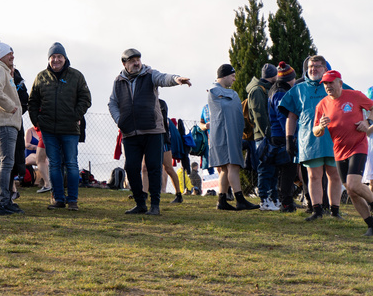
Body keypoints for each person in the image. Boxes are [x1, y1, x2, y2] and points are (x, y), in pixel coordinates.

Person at [107, 48, 190, 215]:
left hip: (153, 131)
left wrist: (176, 79)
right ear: (124, 64)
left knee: (154, 167)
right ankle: (140, 204)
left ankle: (155, 206)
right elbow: (112, 103)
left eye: (138, 59)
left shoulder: (150, 74)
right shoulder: (118, 81)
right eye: (132, 61)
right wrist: (120, 121)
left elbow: (164, 78)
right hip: (130, 133)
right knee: (131, 168)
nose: (136, 63)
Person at [279, 55, 344, 221]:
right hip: (309, 141)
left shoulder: (334, 84)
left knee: (334, 175)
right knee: (313, 176)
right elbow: (291, 116)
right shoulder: (298, 89)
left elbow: (354, 101)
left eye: (317, 66)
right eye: (310, 67)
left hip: (333, 140)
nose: (313, 69)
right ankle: (317, 210)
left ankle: (335, 211)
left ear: (325, 69)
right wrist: (288, 138)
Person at [28, 42, 92, 210]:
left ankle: (72, 201)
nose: (56, 60)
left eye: (59, 57)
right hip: (48, 130)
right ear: (49, 59)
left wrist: (75, 115)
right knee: (54, 164)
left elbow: (85, 98)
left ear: (65, 58)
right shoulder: (41, 77)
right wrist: (37, 121)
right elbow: (32, 101)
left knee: (71, 164)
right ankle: (58, 199)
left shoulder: (76, 76)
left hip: (70, 129)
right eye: (53, 57)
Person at [313, 70, 373, 235]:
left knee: (354, 184)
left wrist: (367, 121)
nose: (328, 86)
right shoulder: (322, 105)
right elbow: (315, 131)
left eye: (331, 82)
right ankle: (370, 224)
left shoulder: (355, 95)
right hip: (339, 152)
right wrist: (321, 126)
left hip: (358, 145)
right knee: (352, 191)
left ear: (340, 82)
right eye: (325, 83)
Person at [208, 64, 259, 211]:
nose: (234, 79)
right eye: (232, 76)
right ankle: (240, 199)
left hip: (228, 133)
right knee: (232, 166)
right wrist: (235, 97)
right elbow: (228, 107)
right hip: (226, 134)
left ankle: (222, 200)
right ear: (224, 75)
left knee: (225, 168)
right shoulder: (214, 91)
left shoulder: (225, 93)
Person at [0, 39, 24, 215]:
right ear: (1, 55)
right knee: (6, 163)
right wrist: (10, 106)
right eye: (10, 53)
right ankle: (3, 202)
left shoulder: (1, 70)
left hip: (2, 123)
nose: (12, 56)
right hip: (4, 122)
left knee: (2, 163)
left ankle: (1, 200)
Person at [246, 63, 279, 211]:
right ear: (273, 76)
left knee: (272, 168)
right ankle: (264, 200)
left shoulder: (263, 88)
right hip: (263, 137)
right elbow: (260, 115)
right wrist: (268, 133)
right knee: (265, 168)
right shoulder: (258, 91)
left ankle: (273, 198)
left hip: (267, 135)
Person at [267, 62, 298, 212]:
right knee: (288, 170)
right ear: (289, 79)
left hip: (279, 135)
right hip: (282, 136)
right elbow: (283, 117)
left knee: (285, 171)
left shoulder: (277, 90)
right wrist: (290, 136)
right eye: (293, 78)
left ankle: (285, 200)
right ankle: (286, 202)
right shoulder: (281, 92)